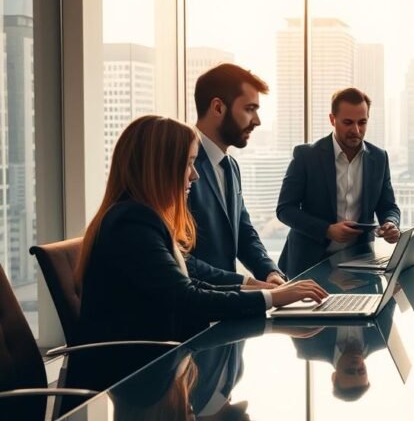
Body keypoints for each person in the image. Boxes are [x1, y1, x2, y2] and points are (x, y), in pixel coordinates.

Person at [76, 115, 328, 345]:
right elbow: (186, 299)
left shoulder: (139, 217)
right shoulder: (132, 223)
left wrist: (263, 289)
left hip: (159, 356)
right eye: (188, 164)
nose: (195, 176)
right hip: (136, 373)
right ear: (159, 168)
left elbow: (190, 277)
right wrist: (274, 298)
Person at [278, 87, 401, 278]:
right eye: (348, 123)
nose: (356, 130)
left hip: (359, 264)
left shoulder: (379, 157)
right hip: (309, 263)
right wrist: (327, 230)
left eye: (362, 122)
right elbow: (285, 209)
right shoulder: (306, 156)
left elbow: (388, 205)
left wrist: (391, 223)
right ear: (332, 119)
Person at [187, 64, 285, 289]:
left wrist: (269, 271)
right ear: (218, 108)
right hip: (192, 311)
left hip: (225, 307)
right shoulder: (179, 165)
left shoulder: (230, 166)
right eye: (250, 109)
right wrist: (246, 284)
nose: (258, 120)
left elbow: (243, 231)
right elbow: (177, 254)